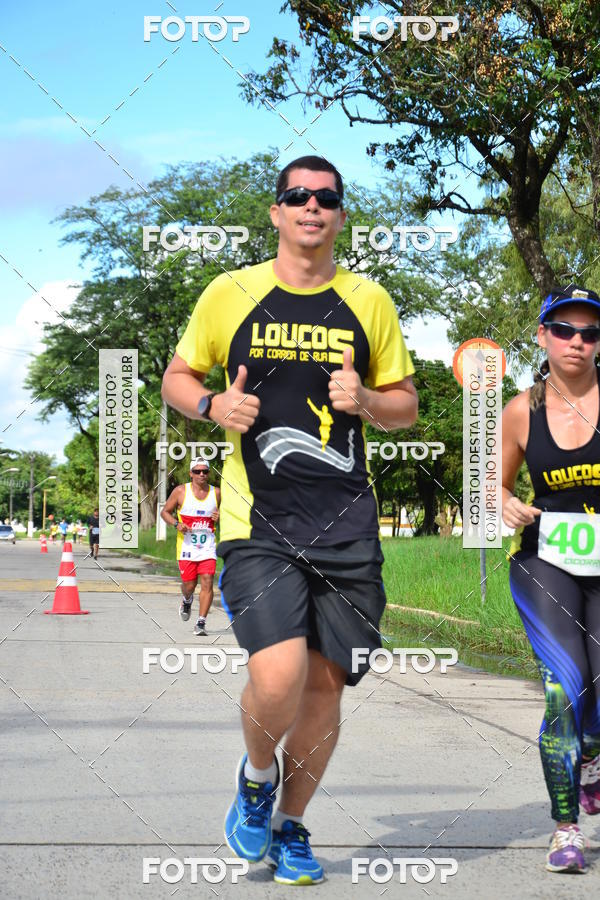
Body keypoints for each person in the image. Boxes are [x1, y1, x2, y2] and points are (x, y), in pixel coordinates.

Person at [162, 155, 418, 884]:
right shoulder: (230, 292)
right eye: (297, 196)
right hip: (258, 521)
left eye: (327, 198)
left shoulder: (369, 300)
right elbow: (178, 377)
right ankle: (254, 776)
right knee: (278, 676)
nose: (312, 206)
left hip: (346, 525)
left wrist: (365, 400)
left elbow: (406, 407)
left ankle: (293, 826)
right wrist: (213, 405)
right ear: (275, 212)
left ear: (340, 215)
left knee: (325, 688)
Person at [502, 285, 600, 874]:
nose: (578, 342)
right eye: (565, 329)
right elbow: (494, 486)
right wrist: (503, 502)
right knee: (566, 685)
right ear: (543, 336)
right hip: (546, 562)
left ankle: (592, 756)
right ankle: (566, 831)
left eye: (591, 334)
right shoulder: (522, 410)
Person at [160, 457, 220, 636]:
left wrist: (220, 516)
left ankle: (201, 622)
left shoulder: (216, 493)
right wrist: (176, 524)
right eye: (197, 471)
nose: (201, 474)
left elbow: (225, 512)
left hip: (208, 546)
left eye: (205, 471)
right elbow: (165, 512)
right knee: (189, 585)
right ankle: (187, 599)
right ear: (191, 473)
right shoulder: (180, 491)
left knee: (208, 580)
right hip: (186, 547)